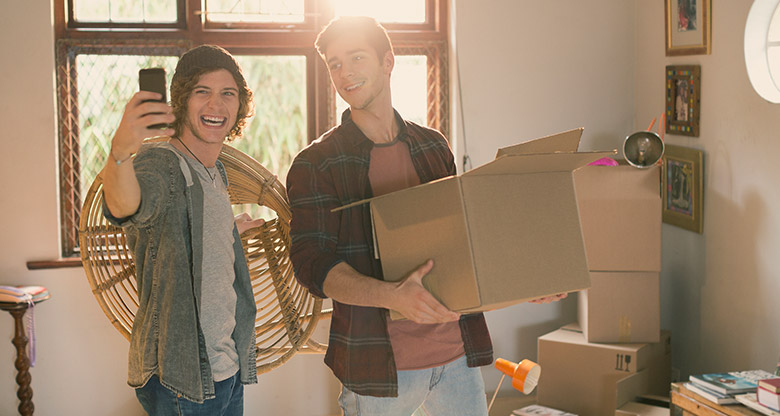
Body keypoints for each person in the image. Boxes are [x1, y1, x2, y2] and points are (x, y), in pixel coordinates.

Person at [288, 16, 567, 415]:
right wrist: (391, 295)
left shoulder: (432, 147)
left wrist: (523, 282)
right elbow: (312, 265)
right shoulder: (317, 163)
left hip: (457, 356)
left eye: (356, 57)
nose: (344, 72)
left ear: (388, 62)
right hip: (380, 370)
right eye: (334, 63)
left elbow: (463, 243)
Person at [101, 44, 262, 415]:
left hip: (227, 369)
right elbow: (125, 208)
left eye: (228, 94)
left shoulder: (215, 170)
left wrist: (229, 231)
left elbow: (188, 230)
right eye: (201, 92)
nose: (215, 105)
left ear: (239, 106)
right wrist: (121, 150)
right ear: (180, 101)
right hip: (183, 378)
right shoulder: (162, 163)